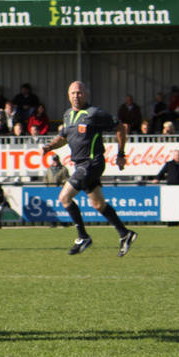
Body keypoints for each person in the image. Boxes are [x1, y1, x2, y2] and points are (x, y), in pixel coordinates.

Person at [40, 81, 136, 257]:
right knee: (98, 204)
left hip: (92, 163)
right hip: (80, 165)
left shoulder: (94, 113)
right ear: (68, 95)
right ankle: (125, 234)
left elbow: (120, 127)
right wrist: (49, 147)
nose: (76, 96)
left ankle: (83, 237)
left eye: (79, 92)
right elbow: (63, 138)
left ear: (86, 94)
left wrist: (121, 154)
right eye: (73, 93)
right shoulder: (68, 115)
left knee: (64, 197)